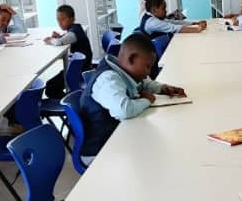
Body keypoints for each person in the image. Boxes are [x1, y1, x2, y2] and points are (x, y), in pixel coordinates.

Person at [78, 31, 186, 163]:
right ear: (131, 59)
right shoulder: (108, 80)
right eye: (147, 67)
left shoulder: (124, 71)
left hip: (117, 137)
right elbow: (124, 110)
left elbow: (144, 83)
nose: (148, 72)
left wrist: (163, 88)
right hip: (99, 152)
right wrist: (147, 100)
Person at [43, 4, 94, 100]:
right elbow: (65, 38)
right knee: (52, 85)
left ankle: (68, 102)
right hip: (80, 67)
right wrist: (60, 36)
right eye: (58, 19)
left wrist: (50, 40)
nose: (60, 22)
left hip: (80, 70)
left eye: (63, 19)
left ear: (72, 19)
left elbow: (59, 42)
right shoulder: (76, 28)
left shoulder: (74, 32)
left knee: (50, 87)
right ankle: (68, 100)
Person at [138, 0, 205, 38]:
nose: (166, 11)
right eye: (163, 9)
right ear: (154, 10)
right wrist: (197, 29)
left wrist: (195, 23)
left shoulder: (154, 17)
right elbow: (173, 28)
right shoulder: (152, 23)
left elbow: (173, 22)